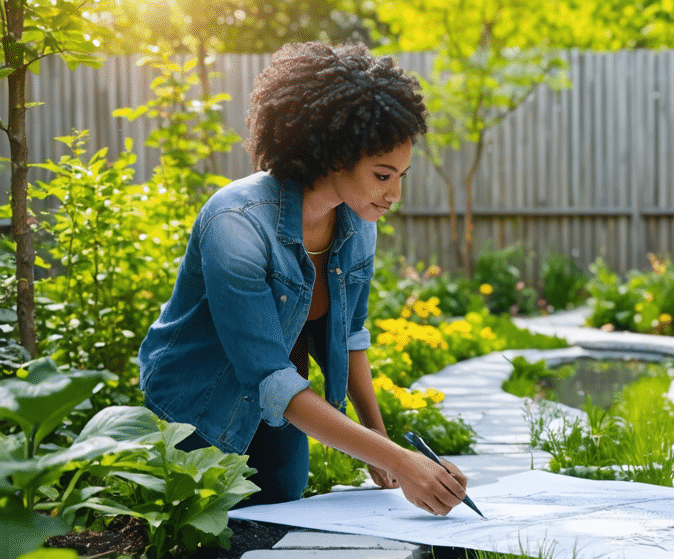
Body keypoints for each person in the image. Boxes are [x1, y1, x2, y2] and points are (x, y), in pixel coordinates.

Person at [138, 42, 470, 515]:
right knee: (201, 542)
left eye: (401, 175)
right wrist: (402, 459)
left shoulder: (358, 227)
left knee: (279, 530)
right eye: (382, 175)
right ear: (335, 157)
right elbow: (268, 376)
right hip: (198, 411)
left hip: (285, 414)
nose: (395, 193)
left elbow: (351, 336)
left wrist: (382, 444)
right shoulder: (236, 224)